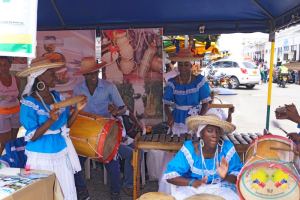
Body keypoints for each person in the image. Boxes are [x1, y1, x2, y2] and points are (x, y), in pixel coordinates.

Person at [17, 57, 87, 200]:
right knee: (45, 192)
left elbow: (65, 126)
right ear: (40, 76)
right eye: (51, 74)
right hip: (41, 154)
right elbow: (33, 136)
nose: (56, 76)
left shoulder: (58, 98)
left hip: (60, 149)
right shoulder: (29, 103)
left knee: (63, 187)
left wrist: (78, 110)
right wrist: (50, 120)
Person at [73, 57, 136, 200]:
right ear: (84, 75)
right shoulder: (78, 89)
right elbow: (74, 112)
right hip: (85, 134)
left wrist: (116, 113)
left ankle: (115, 192)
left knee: (113, 167)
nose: (93, 76)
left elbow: (123, 108)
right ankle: (82, 190)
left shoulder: (109, 87)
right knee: (74, 165)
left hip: (106, 134)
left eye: (95, 72)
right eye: (90, 74)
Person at [159, 49, 211, 194]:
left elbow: (206, 103)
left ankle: (194, 188)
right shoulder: (171, 83)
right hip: (177, 120)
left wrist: (198, 120)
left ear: (191, 65)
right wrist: (169, 116)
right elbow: (166, 104)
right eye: (180, 65)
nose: (183, 68)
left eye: (186, 65)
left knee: (193, 152)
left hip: (195, 120)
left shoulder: (199, 81)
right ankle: (171, 188)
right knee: (174, 151)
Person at [163, 109, 242, 200]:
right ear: (201, 133)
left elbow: (239, 179)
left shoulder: (227, 149)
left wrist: (226, 176)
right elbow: (170, 176)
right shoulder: (189, 149)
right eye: (209, 131)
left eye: (217, 131)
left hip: (221, 188)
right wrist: (192, 182)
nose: (214, 135)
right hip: (192, 189)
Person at [0, 56, 21, 156]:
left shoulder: (16, 79)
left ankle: (12, 164)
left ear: (10, 65)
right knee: (5, 144)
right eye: (0, 65)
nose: (3, 67)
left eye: (5, 64)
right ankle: (2, 166)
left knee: (14, 143)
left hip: (16, 113)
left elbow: (19, 97)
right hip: (2, 115)